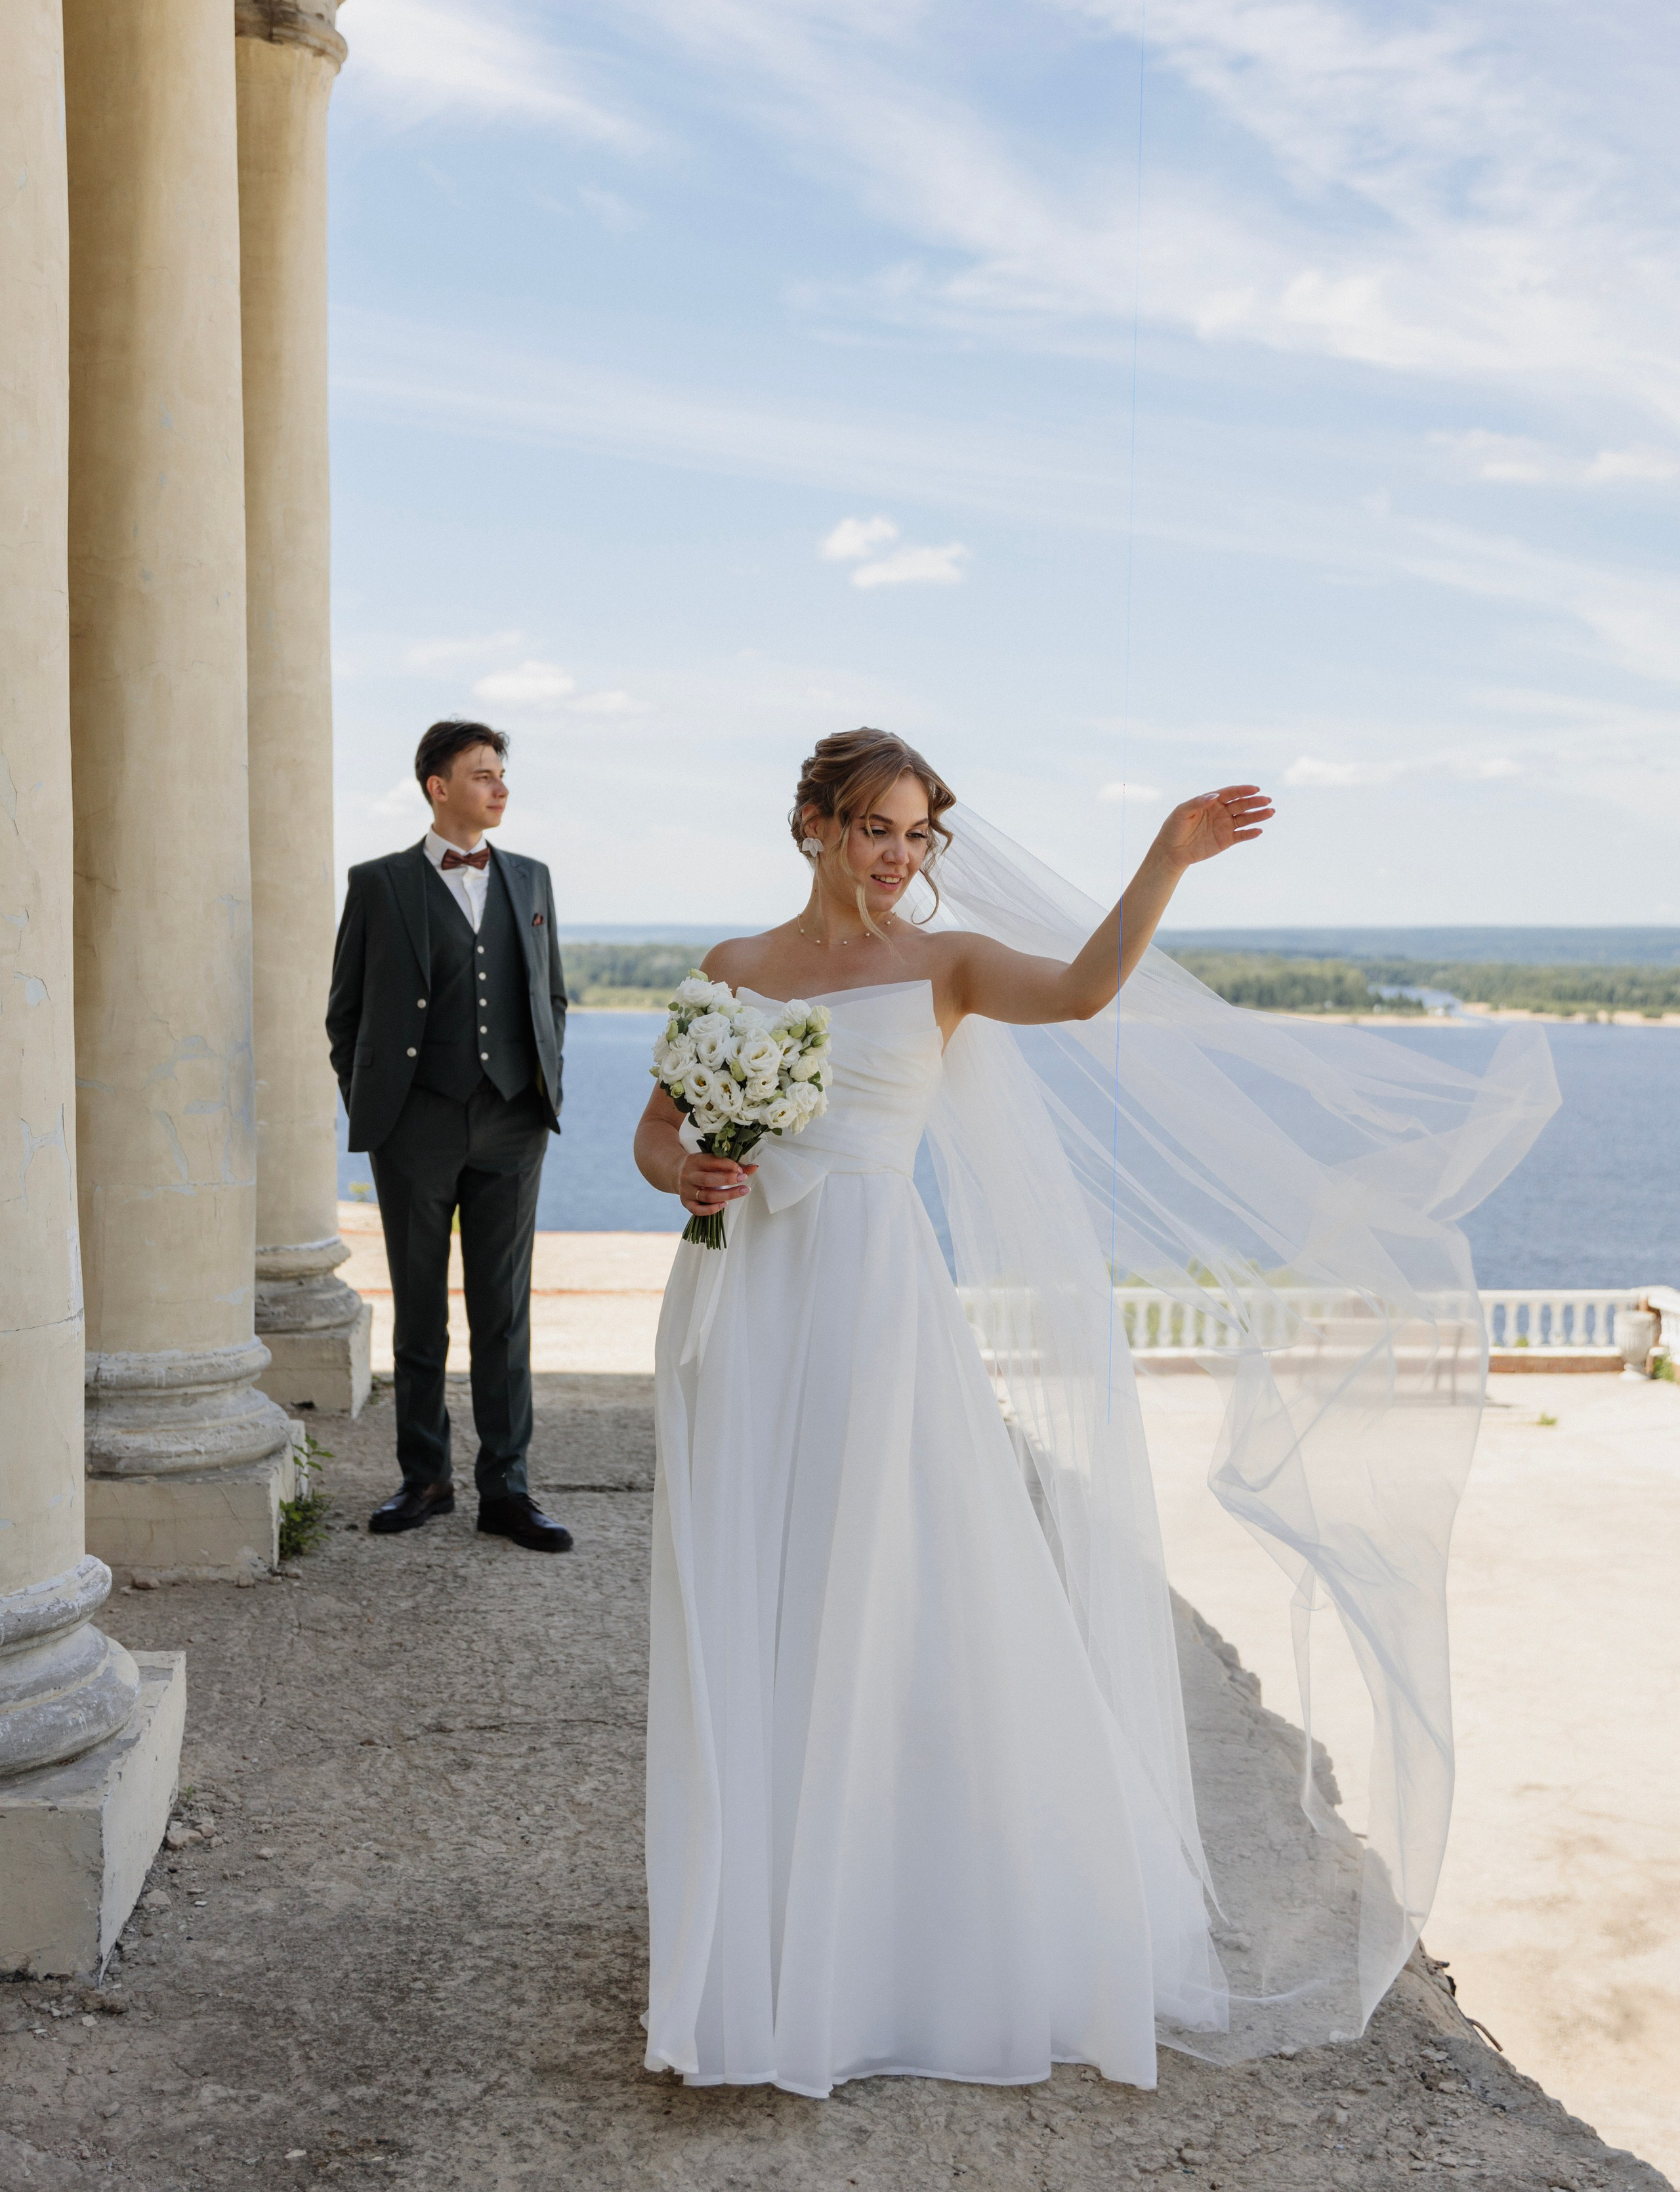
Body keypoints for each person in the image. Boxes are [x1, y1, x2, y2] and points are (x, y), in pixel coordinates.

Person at [632, 728, 1555, 2097]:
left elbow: (1074, 991)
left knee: (887, 1587)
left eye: (918, 836)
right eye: (876, 828)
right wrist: (687, 1175)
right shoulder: (730, 973)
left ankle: (899, 1928)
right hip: (744, 1310)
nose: (898, 857)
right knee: (753, 1591)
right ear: (815, 825)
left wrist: (1162, 861)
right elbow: (658, 1131)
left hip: (877, 1313)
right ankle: (763, 1929)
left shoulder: (941, 968)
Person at [327, 720, 573, 1553]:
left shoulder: (532, 880)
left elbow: (552, 999)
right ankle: (424, 1478)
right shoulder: (379, 883)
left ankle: (508, 1488)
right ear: (438, 786)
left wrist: (542, 1087)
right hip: (415, 1126)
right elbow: (346, 1013)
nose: (500, 788)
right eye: (482, 775)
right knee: (421, 1312)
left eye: (503, 774)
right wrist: (381, 1106)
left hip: (512, 1121)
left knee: (504, 1313)